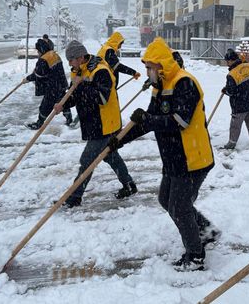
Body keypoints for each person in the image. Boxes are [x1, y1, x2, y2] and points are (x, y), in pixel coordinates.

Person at [108, 38, 219, 272]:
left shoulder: (184, 84)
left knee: (179, 207)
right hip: (174, 158)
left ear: (161, 65)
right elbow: (147, 122)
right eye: (146, 67)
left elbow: (180, 121)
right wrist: (120, 139)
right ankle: (206, 231)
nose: (147, 72)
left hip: (193, 158)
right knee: (165, 200)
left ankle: (196, 255)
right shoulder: (161, 86)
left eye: (149, 67)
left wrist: (149, 120)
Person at [54, 40, 137, 206]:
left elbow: (102, 98)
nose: (69, 63)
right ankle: (129, 185)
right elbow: (75, 94)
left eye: (71, 60)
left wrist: (82, 85)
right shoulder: (78, 71)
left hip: (105, 123)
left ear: (80, 57)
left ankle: (74, 197)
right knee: (110, 156)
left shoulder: (101, 71)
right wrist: (63, 103)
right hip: (92, 121)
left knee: (87, 161)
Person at [24, 39, 72, 129]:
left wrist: (27, 79)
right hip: (61, 84)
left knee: (45, 106)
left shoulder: (43, 59)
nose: (38, 53)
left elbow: (38, 74)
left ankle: (39, 123)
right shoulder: (53, 54)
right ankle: (69, 120)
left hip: (52, 87)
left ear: (41, 50)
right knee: (62, 102)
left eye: (38, 51)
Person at [221, 48, 249, 149]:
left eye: (227, 61)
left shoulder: (232, 74)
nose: (227, 64)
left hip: (239, 106)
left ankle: (231, 143)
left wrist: (225, 90)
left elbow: (231, 91)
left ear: (231, 60)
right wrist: (244, 62)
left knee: (235, 126)